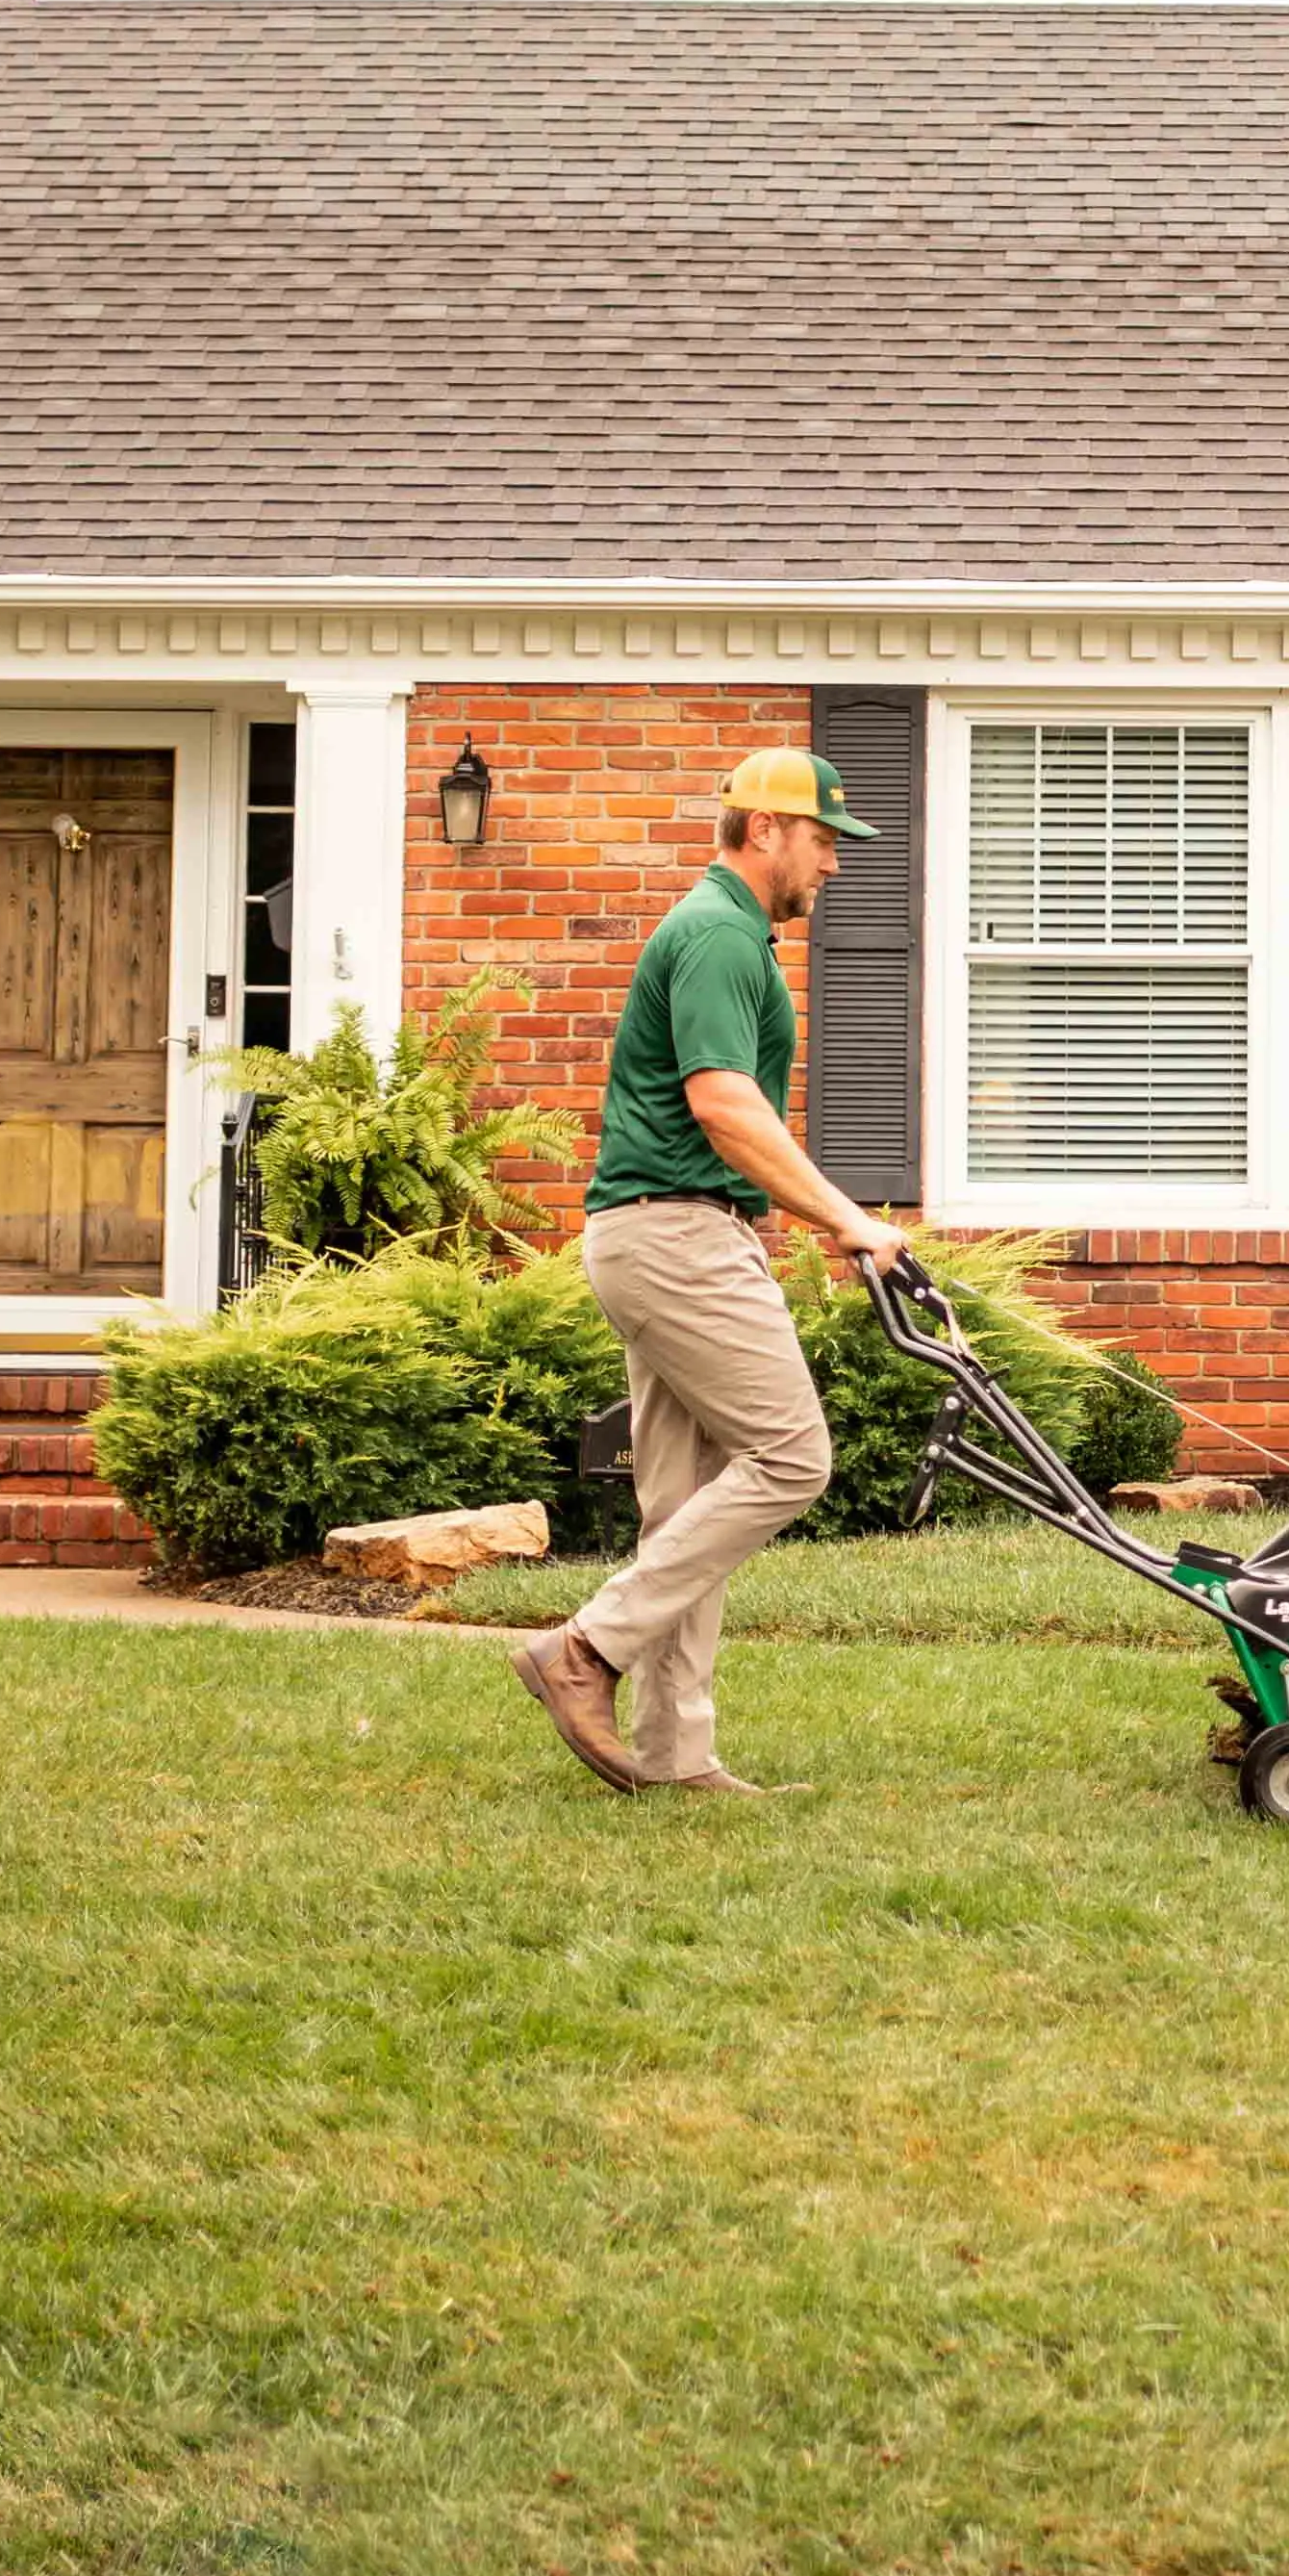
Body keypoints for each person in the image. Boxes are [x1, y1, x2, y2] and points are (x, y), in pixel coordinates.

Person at [512, 746, 913, 1796]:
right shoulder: (720, 934)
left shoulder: (725, 933)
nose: (833, 864)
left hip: (667, 1233)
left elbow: (732, 1113)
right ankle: (583, 1650)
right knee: (790, 1457)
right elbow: (724, 1103)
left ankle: (672, 1756)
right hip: (675, 1234)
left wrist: (812, 1216)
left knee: (684, 1500)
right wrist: (843, 1215)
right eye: (823, 841)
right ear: (764, 829)